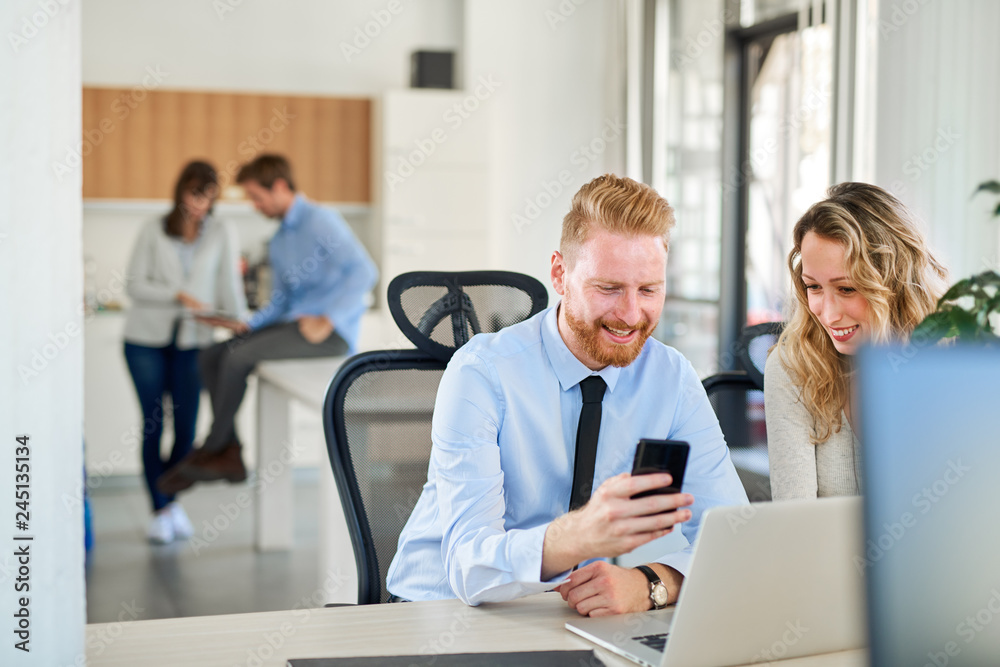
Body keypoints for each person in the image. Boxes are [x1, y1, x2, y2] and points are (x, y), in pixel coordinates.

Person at [386, 174, 748, 616]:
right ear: (560, 274)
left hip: (568, 613)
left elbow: (733, 537)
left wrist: (650, 582)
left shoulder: (671, 378)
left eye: (649, 290)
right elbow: (469, 568)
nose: (631, 315)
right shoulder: (481, 372)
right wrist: (580, 536)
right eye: (609, 288)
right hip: (438, 611)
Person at [157, 154, 378, 494]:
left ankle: (213, 448)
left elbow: (365, 272)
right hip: (294, 327)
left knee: (237, 358)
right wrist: (251, 324)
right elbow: (281, 301)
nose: (253, 205)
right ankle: (228, 451)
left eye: (256, 197)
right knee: (212, 354)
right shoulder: (278, 242)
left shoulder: (321, 221)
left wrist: (328, 317)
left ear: (278, 186)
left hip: (328, 334)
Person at [765, 182, 948, 500]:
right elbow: (795, 524)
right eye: (814, 287)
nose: (828, 314)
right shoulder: (792, 366)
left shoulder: (954, 359)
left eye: (847, 289)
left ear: (894, 283)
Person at [123, 160, 247, 543]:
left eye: (208, 197)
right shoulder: (153, 230)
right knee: (153, 425)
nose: (199, 204)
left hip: (194, 344)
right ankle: (159, 510)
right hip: (145, 341)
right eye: (194, 195)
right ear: (180, 192)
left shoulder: (222, 231)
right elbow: (134, 285)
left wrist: (242, 322)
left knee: (186, 428)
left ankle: (171, 501)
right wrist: (177, 295)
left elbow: (228, 283)